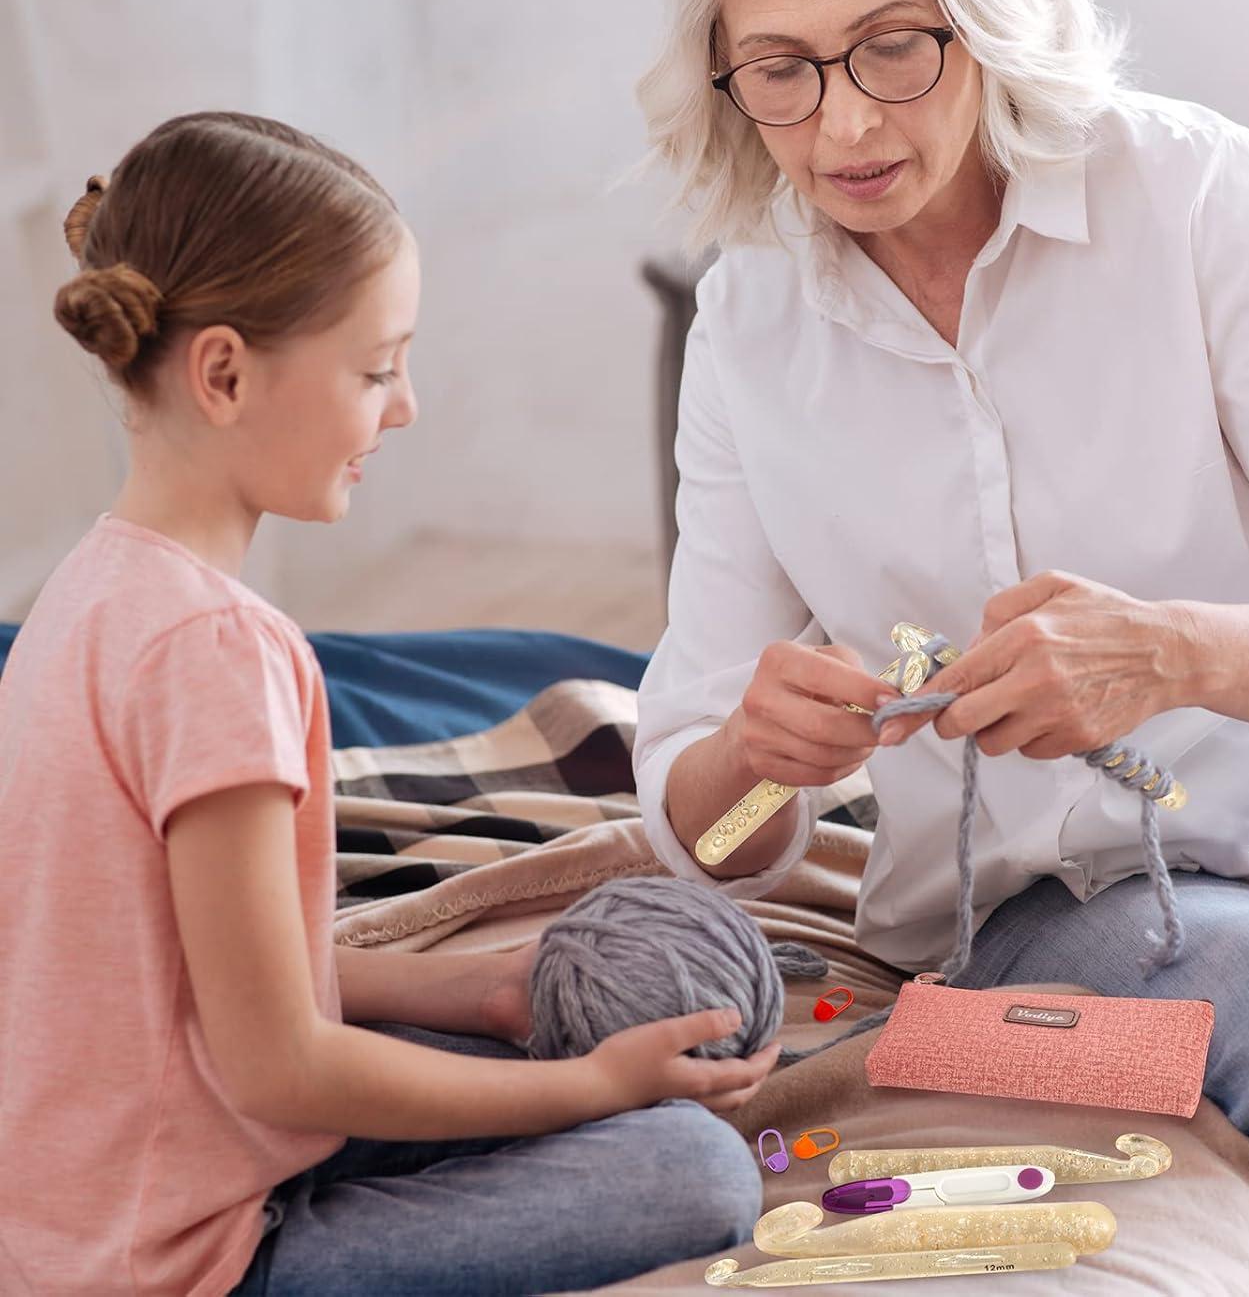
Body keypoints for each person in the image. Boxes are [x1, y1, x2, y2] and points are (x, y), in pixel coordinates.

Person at [631, 0, 1249, 1292]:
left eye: (894, 45)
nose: (841, 122)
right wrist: (754, 762)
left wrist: (1177, 653)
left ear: (994, 13)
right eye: (779, 71)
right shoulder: (747, 329)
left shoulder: (1193, 191)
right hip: (1072, 912)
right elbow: (703, 841)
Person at [0, 112, 771, 1297]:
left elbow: (190, 972)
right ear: (223, 372)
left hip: (85, 1188)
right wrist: (589, 1090)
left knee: (488, 1048)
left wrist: (477, 989)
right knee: (692, 1171)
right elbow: (278, 1070)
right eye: (375, 369)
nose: (403, 407)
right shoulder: (216, 650)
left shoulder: (84, 595)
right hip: (179, 1258)